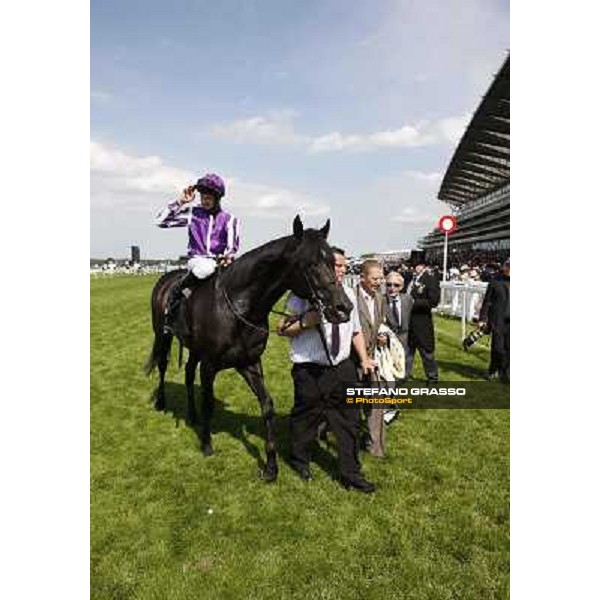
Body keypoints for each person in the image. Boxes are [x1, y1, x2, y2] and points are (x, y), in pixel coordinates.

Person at [278, 247, 377, 493]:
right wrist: (305, 322)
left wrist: (364, 358)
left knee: (350, 421)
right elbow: (280, 327)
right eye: (335, 266)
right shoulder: (301, 297)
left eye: (343, 266)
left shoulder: (349, 297)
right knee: (306, 418)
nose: (340, 270)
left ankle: (351, 473)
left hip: (342, 368)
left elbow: (356, 331)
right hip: (309, 369)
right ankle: (300, 460)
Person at [155, 173, 240, 334]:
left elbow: (232, 247)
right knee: (205, 268)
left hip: (221, 263)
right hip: (198, 261)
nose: (204, 201)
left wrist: (226, 256)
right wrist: (180, 202)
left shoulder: (230, 219)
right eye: (202, 197)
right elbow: (161, 221)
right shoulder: (193, 214)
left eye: (208, 197)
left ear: (217, 198)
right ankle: (175, 297)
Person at [354, 260, 387, 457]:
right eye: (375, 278)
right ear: (363, 277)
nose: (379, 282)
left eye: (381, 278)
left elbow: (379, 325)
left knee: (376, 403)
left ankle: (376, 447)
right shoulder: (350, 297)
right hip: (350, 360)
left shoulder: (381, 299)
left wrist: (381, 337)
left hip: (372, 360)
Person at [406, 259, 441, 382]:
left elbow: (434, 301)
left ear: (422, 266)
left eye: (415, 265)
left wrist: (414, 303)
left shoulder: (430, 279)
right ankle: (404, 375)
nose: (413, 268)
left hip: (422, 320)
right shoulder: (411, 278)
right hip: (408, 320)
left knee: (426, 352)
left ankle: (432, 377)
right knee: (407, 351)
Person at [479, 258, 510, 382]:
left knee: (509, 348)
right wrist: (482, 319)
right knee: (497, 348)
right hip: (498, 320)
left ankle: (505, 373)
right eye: (509, 266)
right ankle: (493, 370)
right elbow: (487, 302)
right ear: (505, 267)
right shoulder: (495, 281)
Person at [384, 271, 413, 356]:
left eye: (396, 285)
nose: (392, 288)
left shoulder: (408, 299)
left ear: (401, 287)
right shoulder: (380, 301)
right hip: (387, 343)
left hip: (406, 343)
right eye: (389, 285)